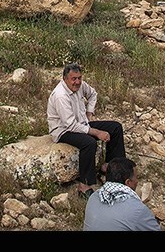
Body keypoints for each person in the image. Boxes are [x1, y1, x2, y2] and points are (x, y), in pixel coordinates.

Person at [47, 63, 126, 198]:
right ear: (65, 79)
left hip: (82, 123)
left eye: (79, 78)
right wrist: (96, 132)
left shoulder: (80, 86)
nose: (77, 82)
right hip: (62, 130)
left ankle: (111, 167)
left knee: (116, 127)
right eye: (73, 79)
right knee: (89, 143)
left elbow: (93, 94)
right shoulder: (61, 96)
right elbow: (70, 125)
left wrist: (89, 112)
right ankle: (84, 185)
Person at [82, 157, 161, 232]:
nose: (137, 181)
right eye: (136, 177)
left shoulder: (94, 196)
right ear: (128, 182)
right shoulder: (137, 210)